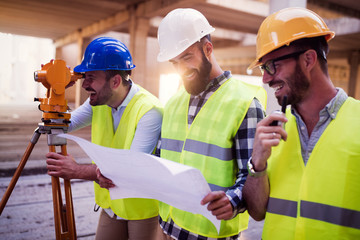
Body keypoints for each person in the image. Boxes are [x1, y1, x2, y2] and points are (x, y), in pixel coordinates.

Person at [243, 7, 360, 239]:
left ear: (308, 59)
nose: (265, 78)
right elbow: (257, 212)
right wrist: (258, 163)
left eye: (271, 66)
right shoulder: (273, 130)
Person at [156, 8, 267, 240]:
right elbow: (162, 160)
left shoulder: (245, 103)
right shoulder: (174, 102)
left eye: (187, 57)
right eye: (174, 62)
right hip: (168, 226)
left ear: (207, 49)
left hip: (210, 234)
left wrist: (232, 201)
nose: (181, 69)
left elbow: (252, 172)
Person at [45, 37, 163, 240]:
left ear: (115, 81)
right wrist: (55, 90)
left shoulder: (149, 110)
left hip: (141, 208)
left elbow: (130, 168)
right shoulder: (98, 103)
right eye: (84, 78)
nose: (84, 85)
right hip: (112, 204)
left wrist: (76, 171)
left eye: (91, 78)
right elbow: (62, 125)